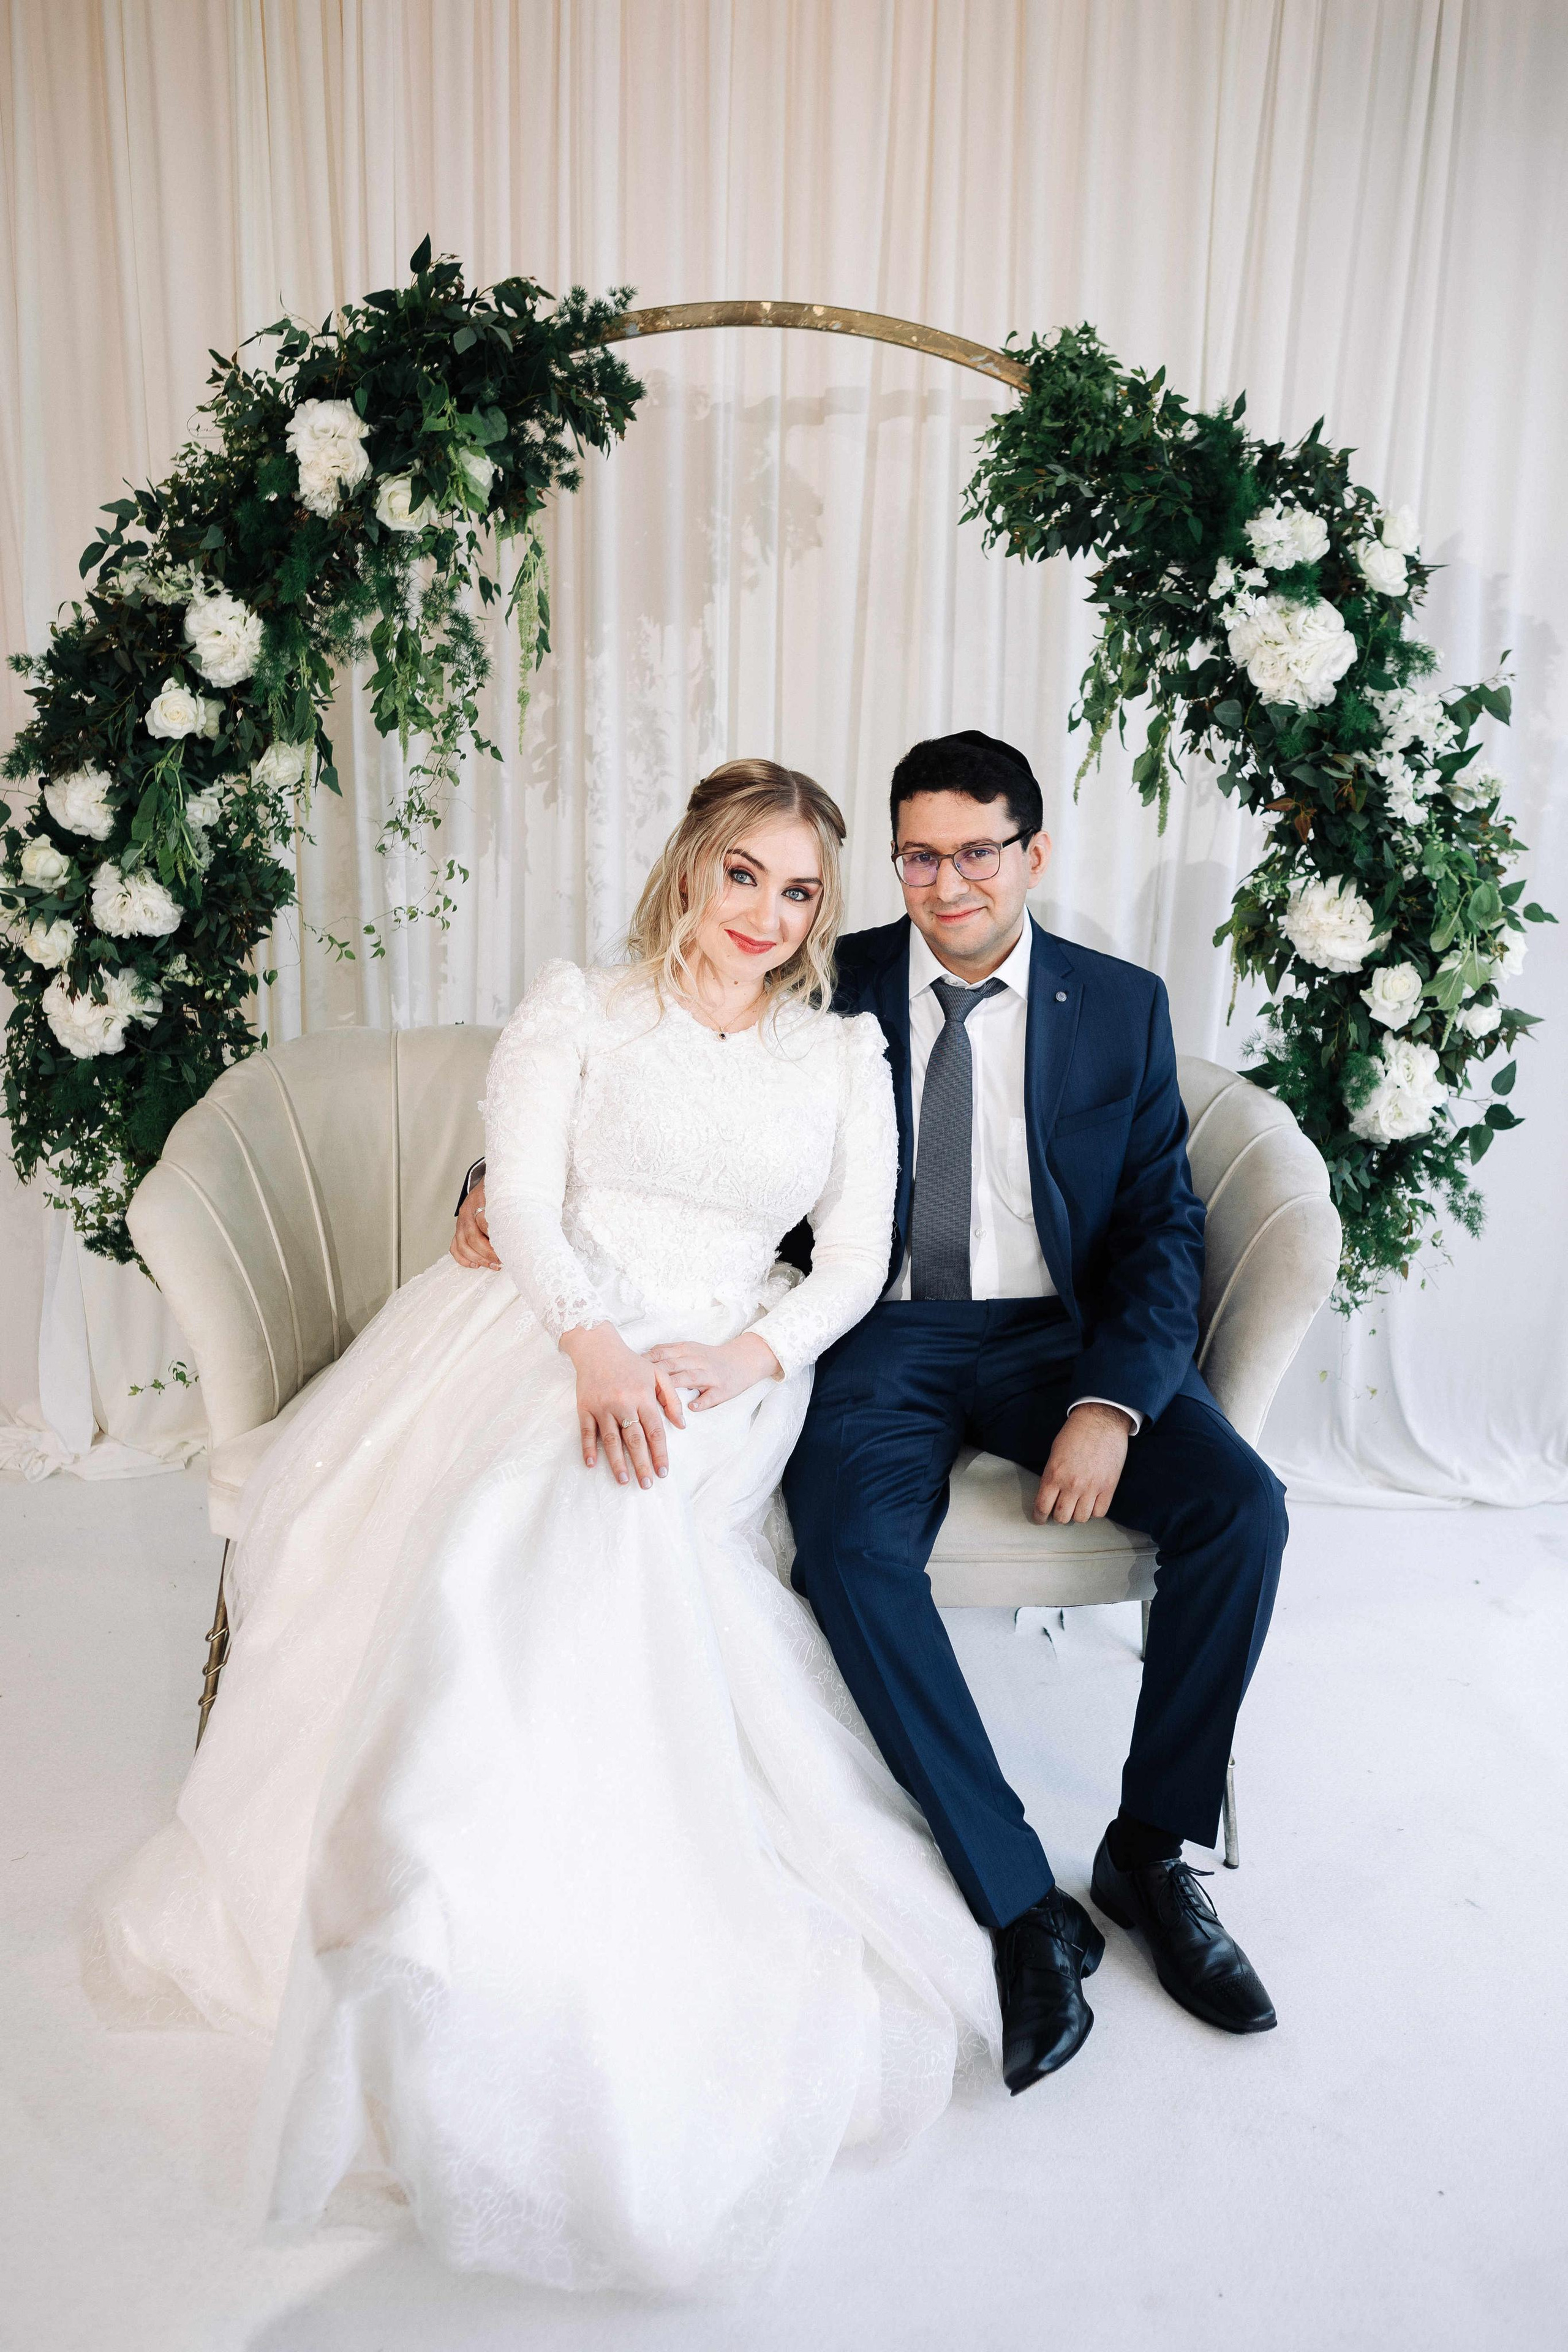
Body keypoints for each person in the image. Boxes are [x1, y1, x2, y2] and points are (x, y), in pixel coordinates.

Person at [89, 760, 1003, 2297]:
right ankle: (424, 1881)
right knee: (531, 1498)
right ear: (689, 871)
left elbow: (852, 1258)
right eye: (742, 879)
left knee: (633, 1483)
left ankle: (586, 1911)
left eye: (796, 894)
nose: (766, 919)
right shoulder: (578, 1006)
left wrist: (749, 1354)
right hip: (539, 1317)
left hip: (725, 1348)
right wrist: (590, 1345)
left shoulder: (839, 1051)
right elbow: (516, 1202)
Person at [458, 728, 1288, 2101]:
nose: (946, 882)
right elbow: (662, 1068)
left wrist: (1112, 1400)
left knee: (1241, 1510)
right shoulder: (818, 971)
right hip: (877, 1334)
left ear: (1031, 852)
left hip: (1054, 1338)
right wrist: (490, 1180)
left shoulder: (1121, 1006)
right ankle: (1020, 1903)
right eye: (918, 854)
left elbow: (1157, 1229)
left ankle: (1149, 1854)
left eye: (977, 851)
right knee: (848, 1553)